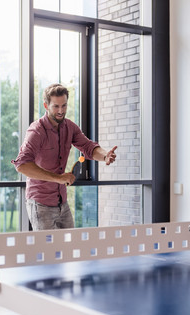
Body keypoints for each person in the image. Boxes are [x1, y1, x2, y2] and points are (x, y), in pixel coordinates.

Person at [11, 83, 117, 230]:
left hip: (62, 202)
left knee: (70, 248)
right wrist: (59, 178)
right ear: (46, 105)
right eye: (56, 106)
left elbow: (88, 147)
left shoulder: (70, 127)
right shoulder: (36, 131)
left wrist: (105, 155)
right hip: (40, 203)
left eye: (64, 106)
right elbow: (22, 165)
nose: (61, 111)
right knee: (48, 251)